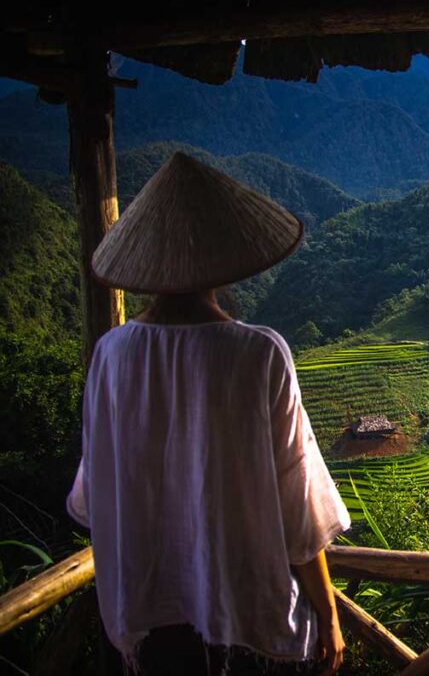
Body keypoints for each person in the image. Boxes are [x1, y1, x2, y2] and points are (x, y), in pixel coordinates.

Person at [66, 152, 350, 676]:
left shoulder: (111, 354)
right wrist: (330, 614)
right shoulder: (259, 353)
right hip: (245, 624)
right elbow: (299, 510)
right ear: (228, 259)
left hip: (145, 627)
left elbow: (96, 495)